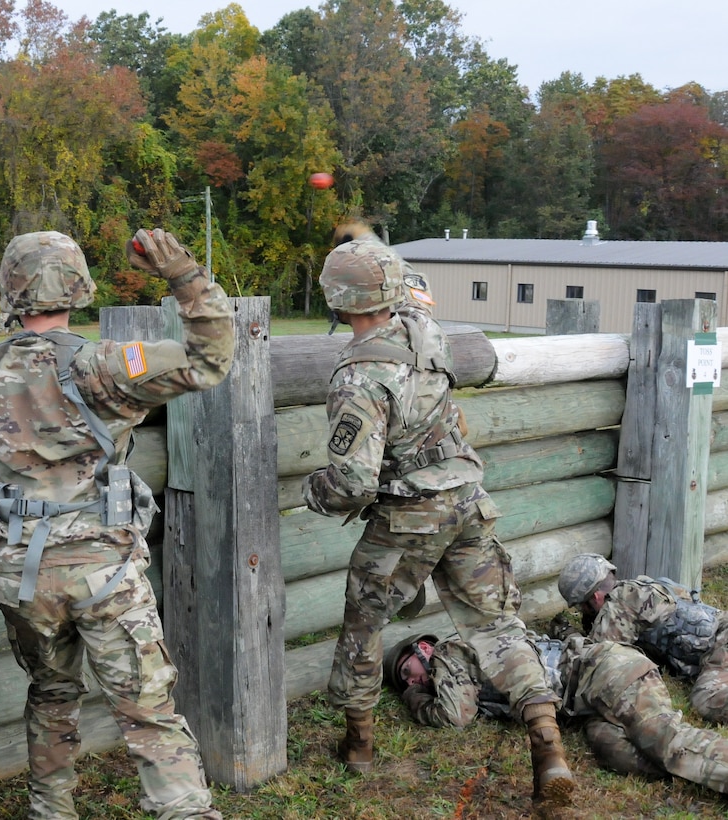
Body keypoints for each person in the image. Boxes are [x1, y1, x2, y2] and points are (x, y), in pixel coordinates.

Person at [0, 228, 234, 819]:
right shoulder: (104, 365)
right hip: (103, 571)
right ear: (77, 287)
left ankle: (51, 812)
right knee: (147, 709)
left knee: (50, 696)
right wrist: (182, 275)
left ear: (10, 291)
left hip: (21, 572)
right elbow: (210, 358)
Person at [302, 235, 574, 805]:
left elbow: (352, 482)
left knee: (364, 624)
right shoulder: (428, 330)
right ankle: (548, 744)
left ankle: (357, 745)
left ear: (336, 300)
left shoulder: (357, 377)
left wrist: (315, 493)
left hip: (409, 517)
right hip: (468, 499)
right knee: (497, 627)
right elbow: (414, 290)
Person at [390, 631, 728, 794]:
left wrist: (414, 696)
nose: (415, 680)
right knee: (616, 750)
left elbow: (454, 716)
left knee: (666, 742)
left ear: (423, 649)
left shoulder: (447, 653)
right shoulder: (462, 666)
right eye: (408, 682)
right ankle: (701, 768)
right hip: (586, 702)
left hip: (603, 671)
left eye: (409, 673)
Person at [556, 553, 728, 724]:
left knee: (706, 701)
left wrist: (568, 634)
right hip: (720, 636)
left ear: (595, 597)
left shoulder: (619, 609)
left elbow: (596, 659)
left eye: (581, 606)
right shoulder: (638, 588)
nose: (583, 612)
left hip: (721, 642)